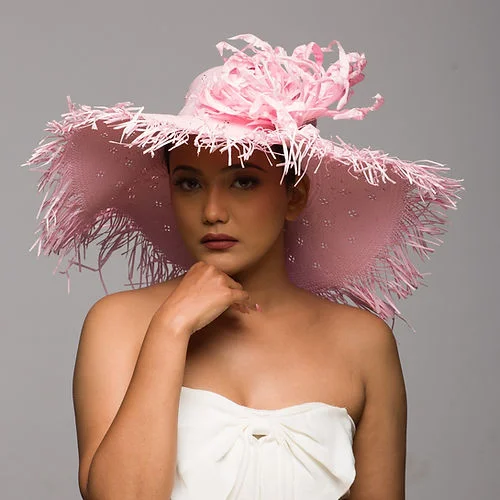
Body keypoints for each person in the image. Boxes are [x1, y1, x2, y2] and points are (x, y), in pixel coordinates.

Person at [24, 34, 464, 499]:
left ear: (294, 195)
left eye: (243, 182)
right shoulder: (120, 324)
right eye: (190, 183)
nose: (213, 210)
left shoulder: (362, 343)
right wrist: (170, 328)